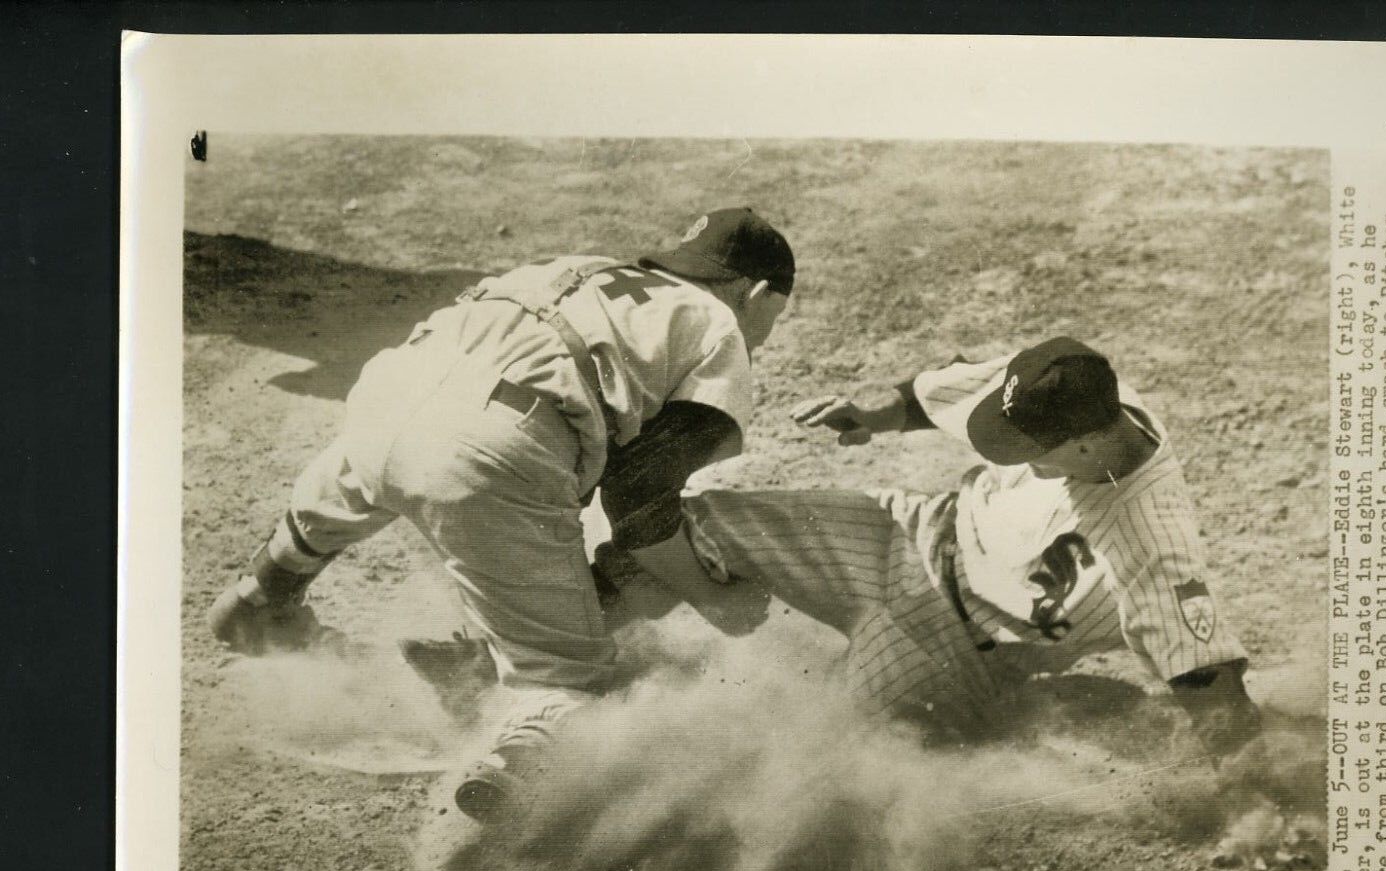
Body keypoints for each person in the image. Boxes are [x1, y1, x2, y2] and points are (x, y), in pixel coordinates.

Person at [207, 207, 794, 826]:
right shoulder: (717, 326)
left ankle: (262, 596)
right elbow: (639, 501)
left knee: (350, 490)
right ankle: (516, 756)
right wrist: (709, 594)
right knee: (569, 678)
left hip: (384, 395)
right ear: (753, 294)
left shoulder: (581, 268)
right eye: (773, 318)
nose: (764, 334)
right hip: (490, 446)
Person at [668, 336, 1263, 754]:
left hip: (946, 652)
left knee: (796, 755)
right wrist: (873, 417)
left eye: (1025, 450)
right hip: (903, 532)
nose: (1010, 454)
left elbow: (1211, 685)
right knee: (682, 529)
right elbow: (961, 391)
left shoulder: (1148, 539)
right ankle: (582, 665)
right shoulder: (1068, 383)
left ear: (1082, 447)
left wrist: (1257, 802)